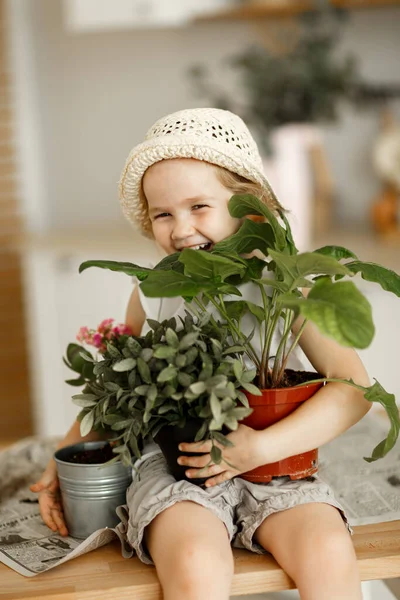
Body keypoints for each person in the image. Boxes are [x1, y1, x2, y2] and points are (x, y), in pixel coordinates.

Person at [31, 107, 371, 600]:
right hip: (177, 469)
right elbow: (116, 392)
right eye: (163, 214)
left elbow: (354, 391)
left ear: (249, 210)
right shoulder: (153, 290)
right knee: (193, 558)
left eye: (199, 207)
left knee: (327, 549)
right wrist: (62, 461)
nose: (181, 228)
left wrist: (259, 449)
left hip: (274, 464)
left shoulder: (291, 287)